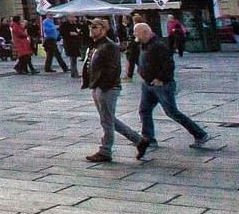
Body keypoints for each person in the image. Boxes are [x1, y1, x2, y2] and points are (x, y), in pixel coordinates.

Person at [134, 22, 210, 150]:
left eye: (136, 33)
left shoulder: (158, 45)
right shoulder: (144, 45)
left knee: (172, 112)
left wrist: (161, 79)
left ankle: (200, 134)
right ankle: (148, 138)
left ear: (145, 32)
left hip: (161, 85)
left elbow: (169, 64)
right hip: (148, 84)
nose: (134, 35)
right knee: (144, 110)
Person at [82, 18, 148, 163]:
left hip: (107, 88)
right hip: (97, 86)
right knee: (109, 119)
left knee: (107, 121)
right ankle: (139, 141)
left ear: (104, 29)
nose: (91, 29)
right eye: (90, 27)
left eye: (95, 27)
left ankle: (105, 151)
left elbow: (113, 69)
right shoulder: (96, 45)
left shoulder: (109, 46)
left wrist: (104, 85)